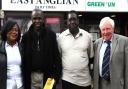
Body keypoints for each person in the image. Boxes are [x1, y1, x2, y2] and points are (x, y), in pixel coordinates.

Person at [21, 9, 62, 89]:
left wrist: (55, 78)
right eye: (35, 18)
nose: (37, 21)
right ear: (31, 19)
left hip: (48, 77)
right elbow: (23, 60)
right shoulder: (26, 37)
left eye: (39, 18)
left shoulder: (51, 35)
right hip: (31, 77)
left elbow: (57, 58)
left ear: (43, 19)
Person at [57, 10, 94, 89]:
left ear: (78, 20)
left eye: (74, 19)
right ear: (66, 22)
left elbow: (90, 57)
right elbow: (59, 57)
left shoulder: (87, 36)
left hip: (85, 81)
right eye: (70, 20)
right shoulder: (61, 38)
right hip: (67, 80)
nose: (72, 22)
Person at [93, 17, 128, 89]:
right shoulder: (97, 43)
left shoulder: (124, 41)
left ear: (113, 28)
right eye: (103, 29)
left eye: (108, 29)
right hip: (100, 84)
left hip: (118, 85)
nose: (105, 32)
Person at [0, 20, 25, 89]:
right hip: (6, 86)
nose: (14, 32)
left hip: (20, 85)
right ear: (5, 31)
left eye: (16, 30)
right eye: (11, 29)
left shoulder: (22, 48)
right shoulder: (1, 48)